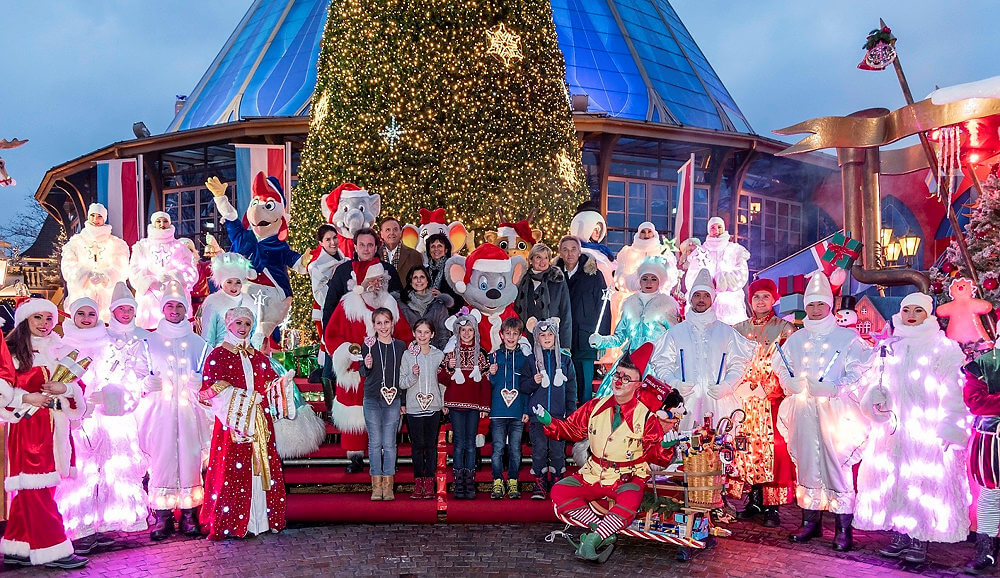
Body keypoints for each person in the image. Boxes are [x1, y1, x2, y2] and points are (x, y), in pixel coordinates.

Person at [854, 293, 969, 563]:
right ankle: (900, 533)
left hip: (925, 428)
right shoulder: (892, 345)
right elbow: (874, 380)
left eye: (918, 310)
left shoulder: (943, 348)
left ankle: (920, 537)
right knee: (895, 481)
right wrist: (874, 399)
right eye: (908, 310)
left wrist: (950, 424)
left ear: (927, 314)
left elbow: (954, 390)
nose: (912, 315)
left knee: (922, 484)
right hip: (893, 429)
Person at [539, 344, 679, 561]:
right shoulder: (595, 405)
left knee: (630, 501)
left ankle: (593, 540)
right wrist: (550, 421)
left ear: (638, 385)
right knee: (559, 491)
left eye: (626, 378)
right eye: (617, 375)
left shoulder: (646, 417)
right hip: (594, 472)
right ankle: (601, 530)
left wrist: (665, 448)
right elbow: (573, 430)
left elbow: (654, 454)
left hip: (629, 476)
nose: (618, 381)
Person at [772, 271, 873, 551]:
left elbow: (861, 370)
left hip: (835, 411)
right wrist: (788, 382)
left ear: (830, 305)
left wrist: (835, 387)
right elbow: (781, 365)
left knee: (835, 465)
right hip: (803, 410)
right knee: (806, 463)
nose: (816, 310)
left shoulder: (847, 339)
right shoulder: (795, 338)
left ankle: (842, 528)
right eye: (811, 305)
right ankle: (810, 521)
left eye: (820, 304)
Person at [1, 299, 89, 569]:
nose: (44, 324)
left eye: (49, 318)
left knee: (36, 490)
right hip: (28, 430)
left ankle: (19, 546)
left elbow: (78, 389)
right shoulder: (12, 353)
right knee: (36, 489)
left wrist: (67, 391)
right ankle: (53, 549)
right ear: (25, 321)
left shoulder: (62, 350)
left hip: (56, 428)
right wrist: (26, 397)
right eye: (37, 318)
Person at [56, 297, 148, 553]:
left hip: (109, 420)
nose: (87, 319)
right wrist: (78, 402)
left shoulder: (110, 345)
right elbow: (56, 385)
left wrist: (110, 396)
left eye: (91, 314)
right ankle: (80, 529)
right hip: (79, 422)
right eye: (81, 314)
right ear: (72, 316)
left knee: (109, 472)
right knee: (81, 474)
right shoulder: (62, 347)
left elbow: (127, 380)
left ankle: (102, 525)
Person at [198, 307, 287, 540]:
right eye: (239, 323)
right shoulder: (217, 355)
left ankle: (262, 519)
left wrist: (281, 387)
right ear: (228, 324)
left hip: (259, 423)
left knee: (260, 467)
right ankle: (234, 521)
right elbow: (212, 392)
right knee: (234, 469)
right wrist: (247, 402)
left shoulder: (257, 356)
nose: (243, 328)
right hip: (233, 426)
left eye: (247, 324)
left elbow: (269, 385)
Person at [138, 281, 213, 541]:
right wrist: (144, 384)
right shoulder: (148, 342)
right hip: (160, 413)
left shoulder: (199, 344)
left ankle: (191, 514)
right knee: (163, 460)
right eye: (169, 305)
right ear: (162, 309)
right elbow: (135, 374)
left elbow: (212, 377)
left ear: (186, 309)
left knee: (190, 460)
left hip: (190, 413)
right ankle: (163, 516)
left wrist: (202, 383)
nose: (174, 310)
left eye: (179, 305)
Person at [325, 261, 413, 473]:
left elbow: (405, 335)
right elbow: (331, 334)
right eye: (371, 280)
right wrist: (348, 352)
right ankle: (354, 457)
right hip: (355, 371)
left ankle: (385, 455)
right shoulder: (347, 304)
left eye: (380, 280)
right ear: (362, 283)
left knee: (385, 414)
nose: (376, 284)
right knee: (354, 416)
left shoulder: (391, 304)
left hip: (385, 372)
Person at [650, 268, 753, 431]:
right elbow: (662, 364)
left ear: (712, 299)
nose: (701, 300)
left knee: (719, 448)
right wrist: (674, 383)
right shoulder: (676, 333)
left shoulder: (726, 332)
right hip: (684, 405)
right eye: (697, 295)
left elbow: (738, 364)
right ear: (691, 298)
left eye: (706, 295)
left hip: (719, 403)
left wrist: (727, 385)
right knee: (684, 451)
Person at [731, 278, 797, 527]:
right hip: (746, 399)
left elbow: (790, 365)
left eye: (766, 297)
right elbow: (730, 361)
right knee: (746, 448)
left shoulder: (786, 329)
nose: (761, 301)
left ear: (774, 300)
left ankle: (773, 507)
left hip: (771, 400)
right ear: (750, 301)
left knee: (775, 449)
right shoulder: (737, 329)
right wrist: (740, 386)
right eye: (756, 297)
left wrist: (768, 387)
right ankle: (754, 499)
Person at [592, 258, 678, 397]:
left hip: (654, 364)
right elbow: (619, 337)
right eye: (645, 278)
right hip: (630, 362)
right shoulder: (629, 304)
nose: (649, 283)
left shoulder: (667, 306)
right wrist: (601, 341)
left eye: (653, 279)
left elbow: (675, 337)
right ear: (639, 281)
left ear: (659, 281)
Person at [521, 318, 577, 500]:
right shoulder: (531, 361)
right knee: (538, 450)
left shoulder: (566, 361)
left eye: (550, 335)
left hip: (558, 417)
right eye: (542, 335)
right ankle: (539, 483)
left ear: (556, 337)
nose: (546, 338)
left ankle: (557, 483)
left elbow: (571, 389)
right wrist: (533, 382)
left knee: (557, 451)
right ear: (537, 338)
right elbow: (523, 387)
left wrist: (570, 412)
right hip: (538, 416)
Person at [440, 310, 491, 499]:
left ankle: (469, 481)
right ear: (458, 333)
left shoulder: (481, 354)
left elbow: (485, 383)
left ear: (475, 332)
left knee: (471, 444)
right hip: (455, 404)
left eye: (470, 330)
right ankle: (458, 481)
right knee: (459, 443)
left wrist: (485, 407)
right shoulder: (451, 354)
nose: (467, 333)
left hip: (473, 406)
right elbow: (442, 379)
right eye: (463, 330)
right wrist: (449, 368)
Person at [554, 235, 609, 404]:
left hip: (586, 336)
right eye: (565, 249)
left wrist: (603, 339)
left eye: (573, 249)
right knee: (562, 381)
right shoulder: (554, 275)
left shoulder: (593, 275)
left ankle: (584, 420)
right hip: (561, 338)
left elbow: (604, 307)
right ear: (560, 253)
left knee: (585, 385)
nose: (569, 253)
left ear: (579, 252)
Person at [360, 307, 407, 501]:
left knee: (389, 443)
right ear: (373, 325)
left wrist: (403, 401)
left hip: (393, 399)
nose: (383, 326)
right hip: (372, 398)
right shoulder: (368, 346)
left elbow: (403, 377)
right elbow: (363, 373)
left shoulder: (401, 347)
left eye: (386, 322)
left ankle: (388, 485)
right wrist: (367, 364)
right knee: (374, 443)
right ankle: (375, 485)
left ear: (392, 323)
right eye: (379, 323)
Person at [321, 228, 404, 337]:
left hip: (383, 335)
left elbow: (400, 302)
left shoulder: (388, 270)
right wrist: (328, 335)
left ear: (375, 248)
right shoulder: (343, 271)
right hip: (351, 335)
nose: (366, 249)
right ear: (355, 247)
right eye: (362, 245)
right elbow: (330, 305)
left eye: (370, 245)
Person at [399, 319, 446, 499]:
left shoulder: (438, 355)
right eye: (419, 332)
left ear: (432, 335)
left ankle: (430, 480)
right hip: (414, 407)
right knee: (417, 446)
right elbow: (402, 382)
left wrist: (443, 403)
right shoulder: (407, 355)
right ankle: (419, 481)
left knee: (431, 445)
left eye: (426, 332)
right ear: (414, 333)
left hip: (433, 406)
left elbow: (442, 382)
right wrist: (413, 375)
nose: (423, 336)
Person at [60, 203, 130, 322]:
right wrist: (86, 274)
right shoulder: (75, 243)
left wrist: (105, 277)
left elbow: (121, 267)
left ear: (104, 219)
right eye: (92, 215)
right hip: (81, 296)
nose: (95, 220)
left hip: (107, 298)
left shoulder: (117, 244)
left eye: (99, 216)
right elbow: (68, 266)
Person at [128, 211, 198, 329]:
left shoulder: (180, 247)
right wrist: (149, 282)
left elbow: (191, 272)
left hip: (175, 297)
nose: (162, 224)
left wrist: (174, 277)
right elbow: (134, 270)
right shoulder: (142, 246)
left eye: (165, 221)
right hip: (150, 299)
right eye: (158, 221)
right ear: (153, 223)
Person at [964, 345, 1000, 574]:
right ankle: (985, 551)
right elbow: (975, 402)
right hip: (992, 441)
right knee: (990, 495)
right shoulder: (983, 364)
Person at [306, 224, 346, 418]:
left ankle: (342, 404)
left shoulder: (345, 260)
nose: (332, 242)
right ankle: (331, 409)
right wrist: (335, 303)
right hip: (331, 315)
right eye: (327, 239)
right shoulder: (317, 267)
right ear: (321, 243)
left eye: (334, 238)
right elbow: (319, 293)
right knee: (330, 355)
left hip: (346, 314)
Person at [488, 317, 529, 499]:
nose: (511, 337)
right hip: (498, 411)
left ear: (520, 336)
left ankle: (513, 480)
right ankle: (497, 481)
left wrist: (526, 410)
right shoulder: (494, 357)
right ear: (502, 335)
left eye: (515, 333)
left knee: (515, 449)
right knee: (497, 448)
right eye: (507, 333)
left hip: (518, 411)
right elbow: (489, 386)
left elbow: (527, 388)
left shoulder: (526, 359)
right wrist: (491, 374)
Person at [683, 217, 750, 324]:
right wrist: (706, 285)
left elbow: (742, 276)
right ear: (708, 230)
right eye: (713, 227)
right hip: (704, 308)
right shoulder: (700, 252)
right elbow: (690, 281)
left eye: (719, 227)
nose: (716, 230)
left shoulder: (736, 250)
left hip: (730, 309)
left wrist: (721, 281)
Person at [514, 243, 572, 346]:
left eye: (546, 258)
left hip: (551, 340)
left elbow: (566, 313)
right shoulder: (523, 281)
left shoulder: (557, 280)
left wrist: (565, 345)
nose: (543, 261)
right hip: (528, 340)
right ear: (531, 260)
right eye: (538, 257)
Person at [198, 253, 257, 348]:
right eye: (229, 282)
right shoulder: (213, 302)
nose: (234, 286)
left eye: (238, 282)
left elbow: (255, 331)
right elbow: (208, 335)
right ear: (222, 282)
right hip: (221, 353)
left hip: (246, 352)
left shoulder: (250, 301)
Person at [399, 265, 454, 351]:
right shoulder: (402, 304)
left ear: (427, 280)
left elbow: (444, 334)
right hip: (410, 353)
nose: (419, 280)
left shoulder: (438, 305)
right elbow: (400, 333)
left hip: (433, 354)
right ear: (410, 282)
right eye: (415, 277)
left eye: (422, 277)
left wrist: (442, 356)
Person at [424, 233, 462, 314]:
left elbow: (460, 299)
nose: (436, 249)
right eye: (433, 246)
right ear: (429, 250)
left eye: (440, 246)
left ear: (446, 250)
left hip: (448, 315)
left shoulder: (453, 270)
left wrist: (442, 297)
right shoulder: (424, 271)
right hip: (426, 314)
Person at [380, 217, 423, 284]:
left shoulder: (414, 255)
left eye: (395, 229)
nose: (392, 233)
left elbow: (419, 281)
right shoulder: (374, 255)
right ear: (382, 234)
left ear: (400, 232)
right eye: (388, 230)